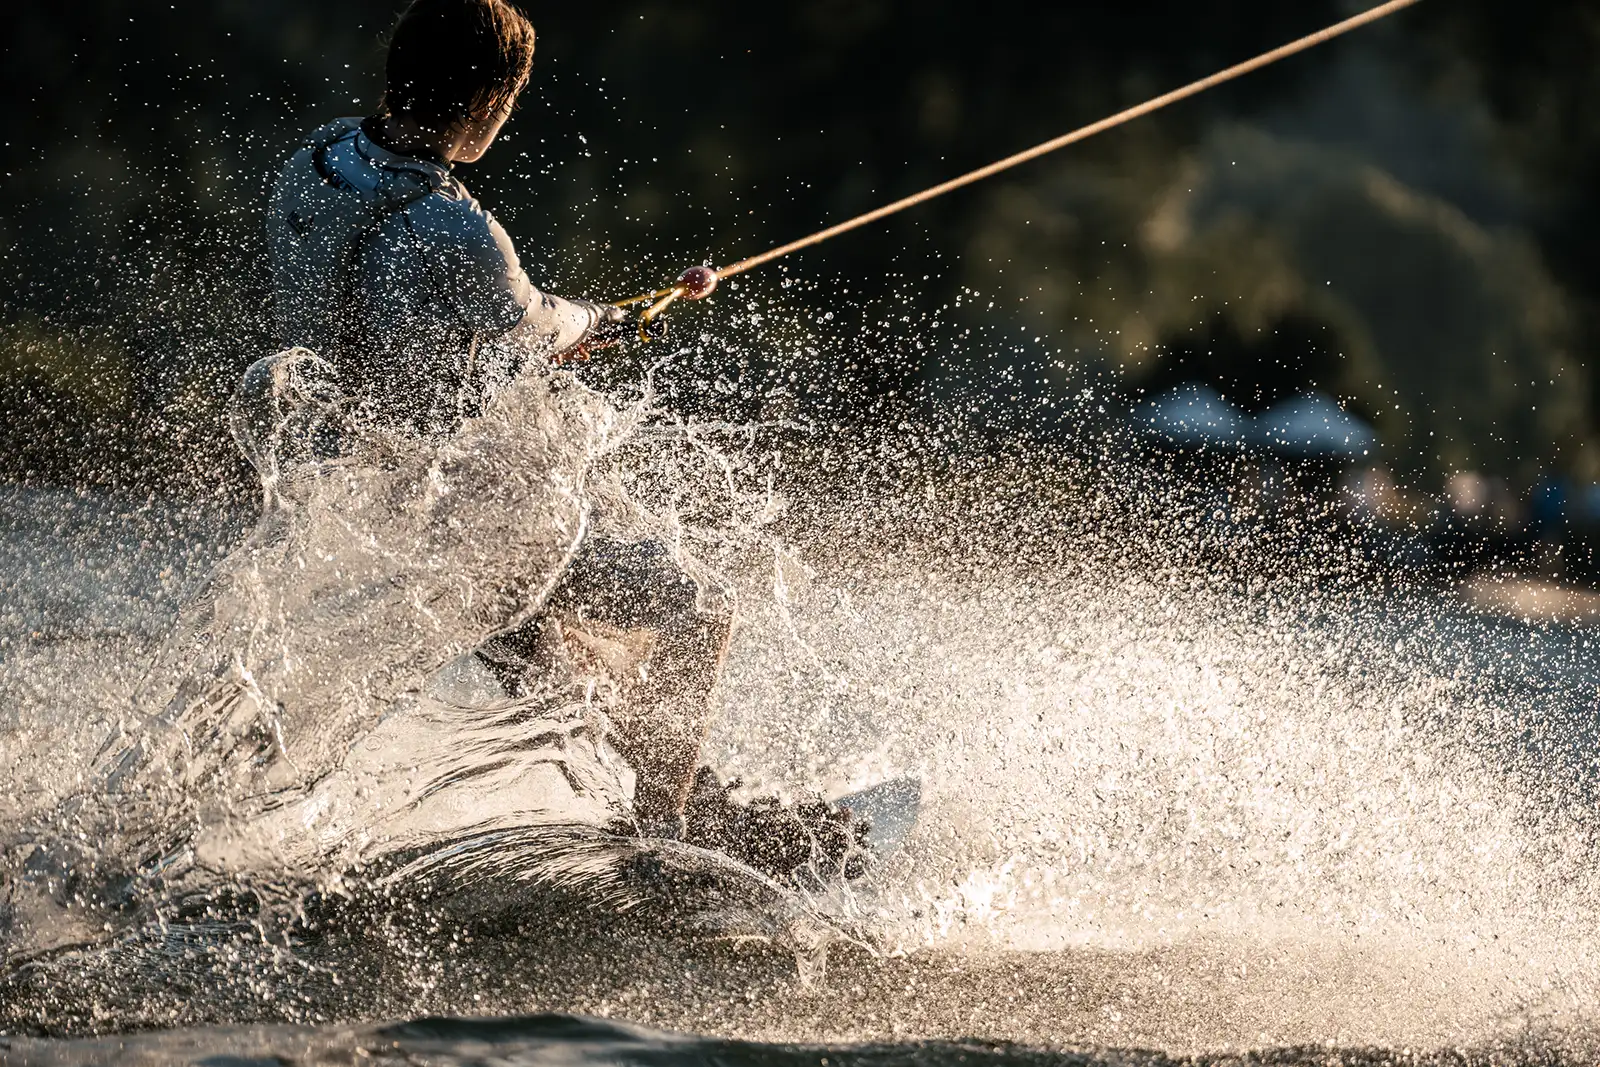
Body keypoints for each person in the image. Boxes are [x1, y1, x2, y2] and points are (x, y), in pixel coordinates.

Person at [264, 0, 863, 881]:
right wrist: (641, 310)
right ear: (490, 107)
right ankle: (670, 841)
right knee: (699, 606)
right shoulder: (460, 228)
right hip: (454, 522)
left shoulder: (311, 161)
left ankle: (687, 800)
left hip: (356, 511)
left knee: (562, 664)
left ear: (396, 74)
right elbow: (550, 327)